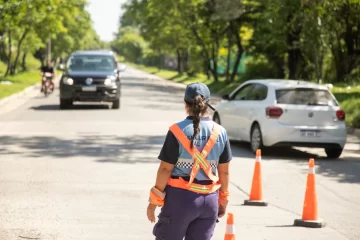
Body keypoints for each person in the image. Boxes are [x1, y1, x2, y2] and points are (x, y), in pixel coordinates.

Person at [147, 82, 232, 240]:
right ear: (208, 103)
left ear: (185, 103)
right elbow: (224, 171)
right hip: (210, 201)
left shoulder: (177, 131)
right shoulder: (221, 132)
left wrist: (154, 200)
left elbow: (165, 169)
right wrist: (223, 201)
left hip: (180, 200)